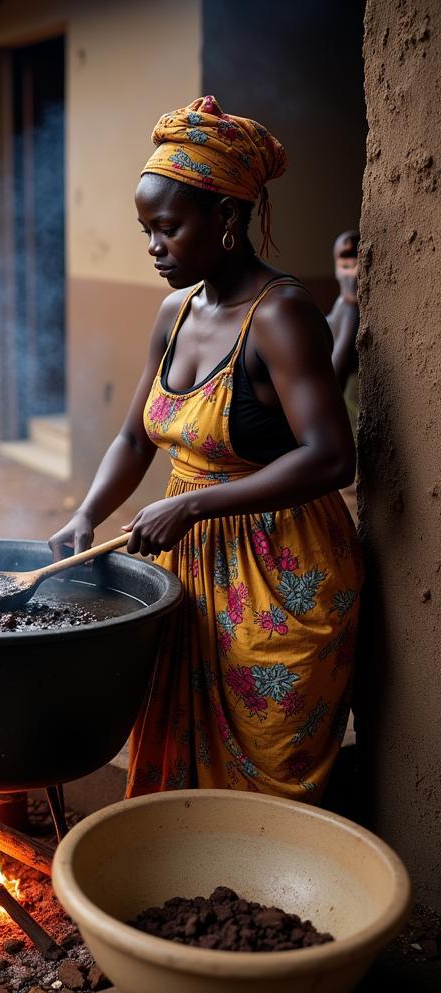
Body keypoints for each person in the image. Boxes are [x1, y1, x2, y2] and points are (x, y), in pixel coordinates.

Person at [49, 96, 362, 803]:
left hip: (280, 569)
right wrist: (85, 516)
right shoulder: (176, 311)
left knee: (264, 765)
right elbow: (134, 436)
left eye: (167, 227)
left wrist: (196, 505)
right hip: (188, 558)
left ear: (224, 218)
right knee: (181, 751)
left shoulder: (280, 316)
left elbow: (329, 456)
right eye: (146, 230)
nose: (153, 246)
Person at [327, 229, 359, 431]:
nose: (354, 268)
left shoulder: (351, 310)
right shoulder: (344, 309)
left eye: (359, 256)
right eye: (346, 259)